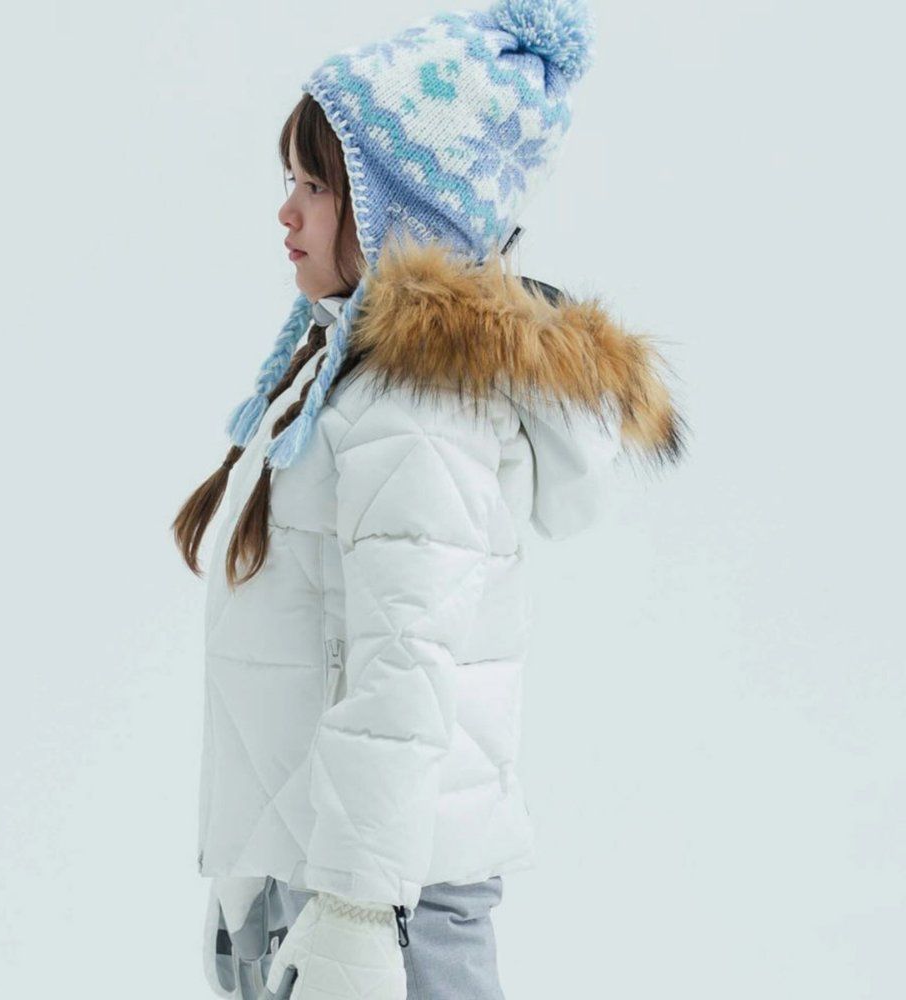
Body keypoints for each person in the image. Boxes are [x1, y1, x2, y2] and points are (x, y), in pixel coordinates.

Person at [172, 2, 688, 997]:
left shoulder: (413, 413)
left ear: (394, 209)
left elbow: (401, 668)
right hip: (323, 870)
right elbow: (309, 644)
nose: (288, 213)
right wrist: (251, 872)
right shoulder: (344, 377)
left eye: (317, 185)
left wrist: (359, 910)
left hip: (387, 894)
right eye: (290, 181)